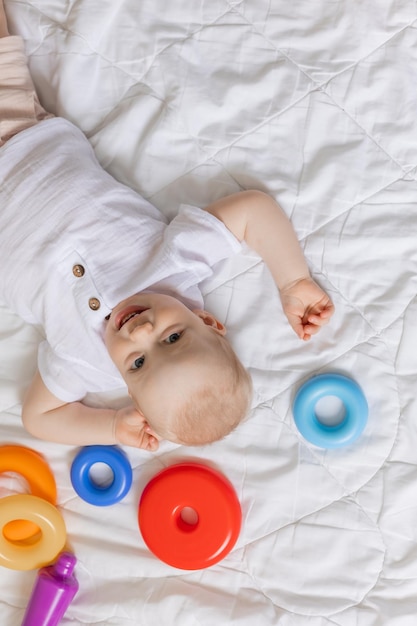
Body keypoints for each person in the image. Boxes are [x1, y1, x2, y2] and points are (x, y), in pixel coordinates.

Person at [0, 1, 334, 451]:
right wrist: (293, 280)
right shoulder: (176, 265)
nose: (139, 333)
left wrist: (112, 427)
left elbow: (39, 418)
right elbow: (253, 211)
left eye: (136, 364)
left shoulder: (86, 364)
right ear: (207, 321)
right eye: (173, 337)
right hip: (17, 134)